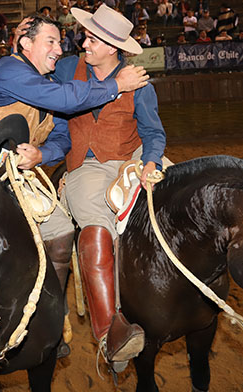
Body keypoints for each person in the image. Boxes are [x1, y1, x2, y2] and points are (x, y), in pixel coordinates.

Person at [0, 14, 149, 346]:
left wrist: (41, 156)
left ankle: (51, 320)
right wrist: (118, 84)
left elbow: (61, 138)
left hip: (18, 179)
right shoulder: (9, 70)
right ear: (25, 44)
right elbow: (66, 100)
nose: (59, 50)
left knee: (61, 231)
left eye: (61, 42)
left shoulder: (47, 84)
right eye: (51, 42)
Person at [32, 4, 167, 372]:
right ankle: (110, 332)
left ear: (112, 47)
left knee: (180, 197)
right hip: (86, 165)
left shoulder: (138, 81)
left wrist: (152, 161)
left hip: (132, 158)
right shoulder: (64, 68)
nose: (83, 42)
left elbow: (153, 131)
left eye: (91, 38)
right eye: (86, 36)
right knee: (93, 225)